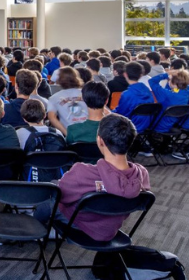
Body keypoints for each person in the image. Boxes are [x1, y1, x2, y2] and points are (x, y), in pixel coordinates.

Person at [35, 114, 151, 242]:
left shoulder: (81, 172)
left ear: (100, 141)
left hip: (82, 224)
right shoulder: (141, 174)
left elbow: (62, 197)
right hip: (111, 227)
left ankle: (38, 234)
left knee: (48, 202)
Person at [113, 62, 156, 132]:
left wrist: (109, 112)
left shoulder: (127, 94)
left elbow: (122, 114)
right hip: (147, 124)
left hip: (131, 126)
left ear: (125, 74)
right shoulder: (147, 90)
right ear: (141, 75)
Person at [46, 67, 88, 135]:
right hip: (90, 133)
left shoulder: (54, 98)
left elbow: (51, 117)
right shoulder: (87, 93)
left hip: (71, 134)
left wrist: (66, 133)